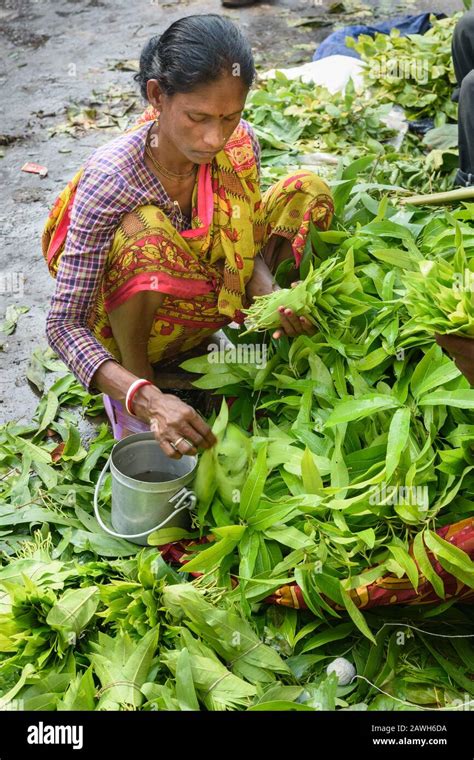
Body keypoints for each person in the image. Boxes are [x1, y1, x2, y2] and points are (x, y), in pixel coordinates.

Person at [42, 14, 333, 460]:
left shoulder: (240, 145)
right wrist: (146, 397)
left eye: (230, 117)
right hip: (129, 326)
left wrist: (267, 289)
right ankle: (137, 396)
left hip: (208, 299)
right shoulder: (114, 177)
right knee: (148, 238)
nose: (214, 137)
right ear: (158, 95)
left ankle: (269, 338)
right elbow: (64, 325)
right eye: (197, 117)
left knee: (306, 193)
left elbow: (244, 239)